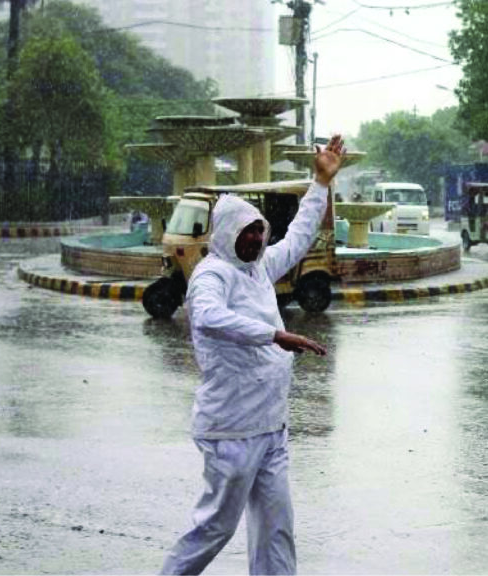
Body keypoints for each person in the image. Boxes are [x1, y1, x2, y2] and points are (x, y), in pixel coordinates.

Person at [160, 136, 345, 575]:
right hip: (231, 431)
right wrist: (274, 335)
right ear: (227, 234)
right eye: (248, 233)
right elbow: (206, 317)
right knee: (215, 528)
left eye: (260, 232)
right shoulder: (212, 275)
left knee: (276, 529)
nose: (257, 239)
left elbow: (299, 236)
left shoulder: (258, 267)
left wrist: (321, 181)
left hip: (270, 427)